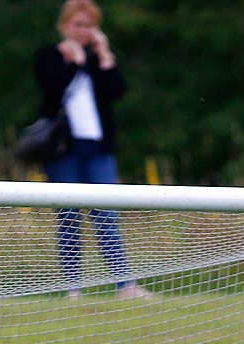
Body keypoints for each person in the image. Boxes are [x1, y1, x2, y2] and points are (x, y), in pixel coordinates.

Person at [34, 1, 147, 299]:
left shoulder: (98, 60)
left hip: (97, 148)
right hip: (63, 149)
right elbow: (51, 88)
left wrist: (104, 54)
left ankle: (125, 284)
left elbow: (117, 91)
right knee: (69, 215)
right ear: (64, 25)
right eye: (78, 24)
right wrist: (74, 60)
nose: (83, 31)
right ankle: (72, 286)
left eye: (89, 25)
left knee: (106, 213)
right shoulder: (49, 56)